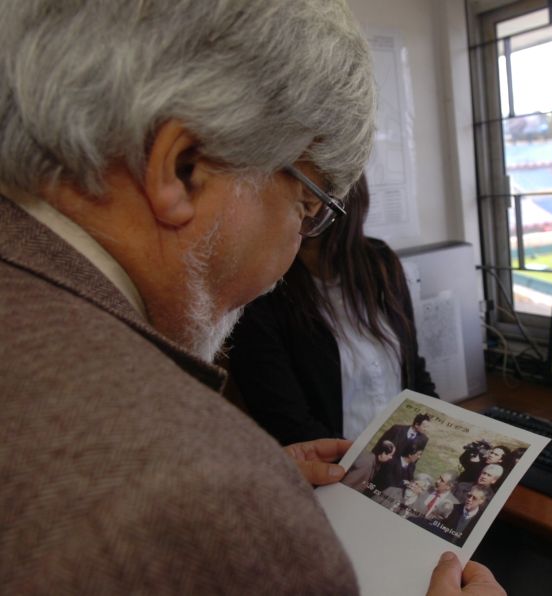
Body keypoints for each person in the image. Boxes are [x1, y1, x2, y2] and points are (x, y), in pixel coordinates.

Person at [0, 1, 503, 593]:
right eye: (306, 207)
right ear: (182, 170)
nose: (296, 245)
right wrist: (246, 490)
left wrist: (265, 474)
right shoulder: (206, 498)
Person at [227, 174, 436, 444]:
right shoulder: (259, 293)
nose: (307, 210)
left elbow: (414, 372)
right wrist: (364, 467)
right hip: (333, 470)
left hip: (404, 454)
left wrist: (445, 434)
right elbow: (288, 424)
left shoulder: (380, 263)